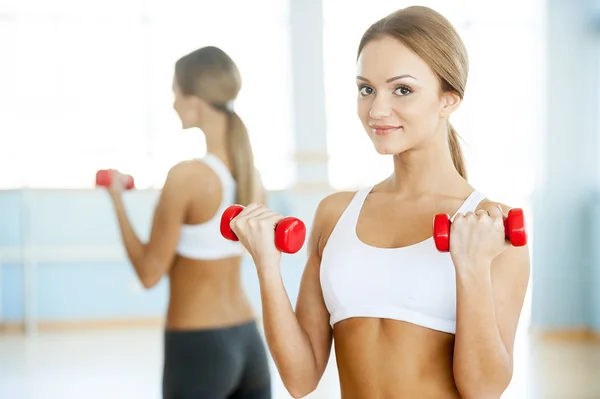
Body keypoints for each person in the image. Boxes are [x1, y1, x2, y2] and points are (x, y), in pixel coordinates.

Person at [228, 6, 531, 399]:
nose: (376, 110)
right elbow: (300, 379)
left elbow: (483, 390)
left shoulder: (493, 229)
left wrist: (471, 268)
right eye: (366, 88)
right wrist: (267, 265)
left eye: (402, 89)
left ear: (448, 100)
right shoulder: (335, 215)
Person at [104, 46, 271, 399]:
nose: (173, 103)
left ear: (194, 99)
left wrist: (117, 201)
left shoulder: (187, 176)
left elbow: (149, 274)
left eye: (175, 93)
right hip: (248, 341)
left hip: (199, 345)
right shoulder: (251, 176)